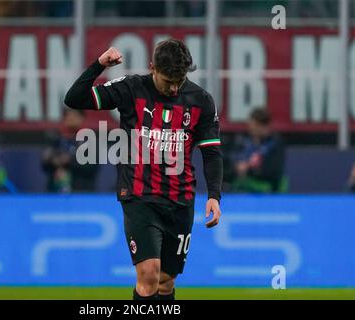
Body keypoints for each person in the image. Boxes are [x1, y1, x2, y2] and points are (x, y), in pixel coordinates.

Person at [64, 39, 223, 300]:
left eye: (179, 81)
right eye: (167, 80)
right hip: (140, 196)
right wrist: (98, 65)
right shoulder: (131, 88)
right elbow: (74, 98)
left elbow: (212, 153)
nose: (173, 88)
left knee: (166, 282)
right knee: (149, 274)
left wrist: (214, 196)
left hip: (180, 200)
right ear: (152, 68)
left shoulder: (201, 101)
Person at [41, 108, 98, 193]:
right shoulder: (56, 139)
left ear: (82, 118)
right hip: (55, 192)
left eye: (74, 115)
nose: (70, 118)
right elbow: (44, 164)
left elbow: (92, 167)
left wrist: (71, 160)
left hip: (81, 192)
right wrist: (53, 160)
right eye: (67, 115)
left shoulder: (89, 140)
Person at [230, 108, 285, 193]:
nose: (251, 128)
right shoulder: (243, 140)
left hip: (268, 189)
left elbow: (274, 171)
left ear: (264, 126)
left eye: (255, 126)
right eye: (250, 125)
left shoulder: (275, 143)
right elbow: (233, 159)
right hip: (243, 187)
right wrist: (237, 167)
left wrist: (248, 169)